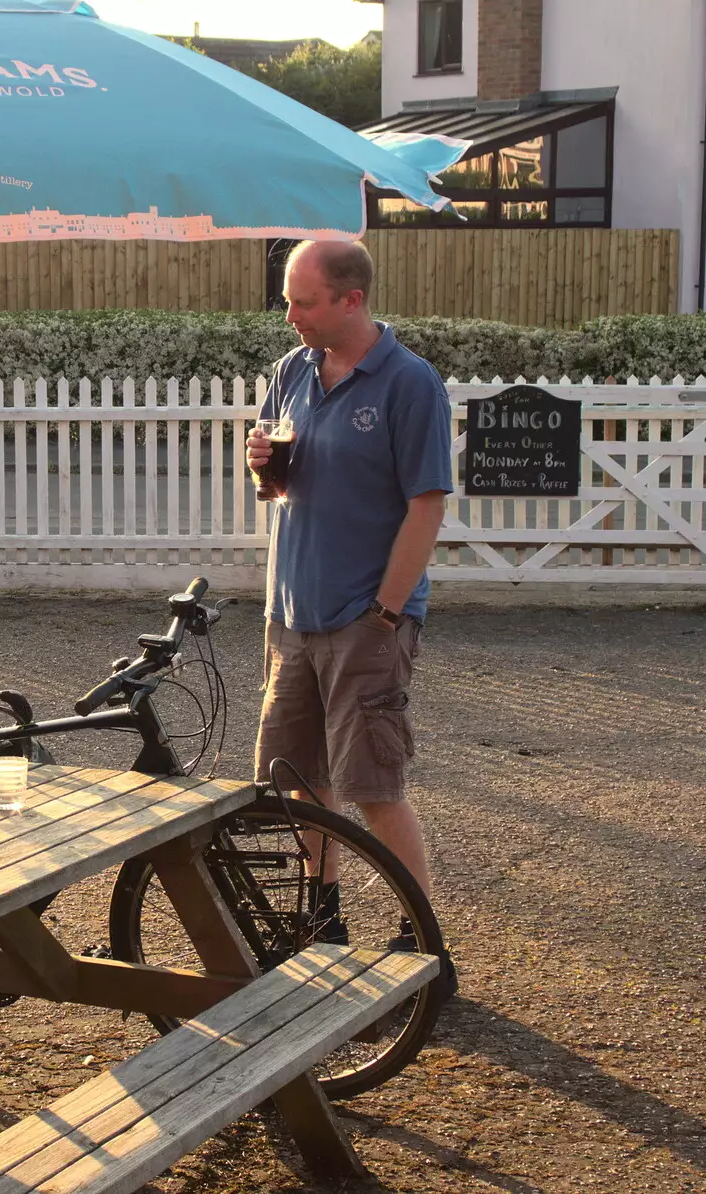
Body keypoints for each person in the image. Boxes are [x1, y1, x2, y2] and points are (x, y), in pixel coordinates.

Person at [247, 239, 455, 992]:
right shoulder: (292, 372)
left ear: (351, 300)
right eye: (289, 299)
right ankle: (321, 918)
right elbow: (282, 488)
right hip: (293, 611)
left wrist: (386, 614)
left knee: (373, 784)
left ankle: (423, 939)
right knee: (299, 777)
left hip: (364, 617)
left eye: (304, 301)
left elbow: (427, 507)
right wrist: (263, 465)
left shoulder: (409, 384)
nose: (290, 314)